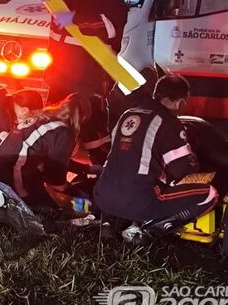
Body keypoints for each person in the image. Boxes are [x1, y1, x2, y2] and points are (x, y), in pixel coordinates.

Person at [93, 75, 219, 243]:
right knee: (209, 194)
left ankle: (108, 223)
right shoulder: (168, 122)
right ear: (179, 101)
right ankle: (146, 231)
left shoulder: (127, 114)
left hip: (102, 195)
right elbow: (183, 170)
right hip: (137, 201)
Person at [35, 0, 129, 164]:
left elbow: (96, 25)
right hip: (59, 74)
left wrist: (68, 15)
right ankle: (43, 168)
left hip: (90, 78)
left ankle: (103, 172)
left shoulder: (113, 3)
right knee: (50, 125)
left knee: (93, 131)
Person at [0, 93, 92, 207]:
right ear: (84, 117)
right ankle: (90, 211)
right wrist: (73, 193)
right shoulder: (63, 133)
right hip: (11, 183)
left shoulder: (45, 117)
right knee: (69, 203)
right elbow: (55, 181)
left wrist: (87, 169)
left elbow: (54, 161)